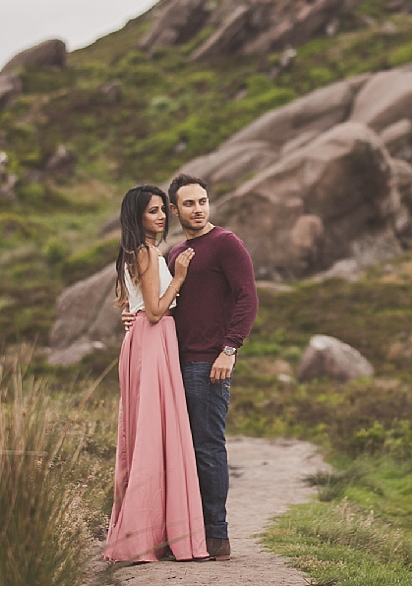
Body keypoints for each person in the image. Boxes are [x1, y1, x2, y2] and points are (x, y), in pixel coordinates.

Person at [103, 184, 208, 563]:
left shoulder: (135, 252)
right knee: (152, 434)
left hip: (145, 343)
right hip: (152, 338)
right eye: (153, 211)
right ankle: (146, 535)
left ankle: (148, 532)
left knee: (150, 432)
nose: (162, 216)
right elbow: (154, 310)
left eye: (163, 209)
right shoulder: (147, 252)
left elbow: (131, 304)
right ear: (137, 216)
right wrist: (179, 276)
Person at [163, 173, 258, 562]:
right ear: (175, 210)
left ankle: (216, 536)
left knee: (207, 447)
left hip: (209, 363)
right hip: (174, 364)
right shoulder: (174, 254)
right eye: (189, 203)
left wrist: (229, 348)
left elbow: (247, 297)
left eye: (202, 201)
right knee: (179, 450)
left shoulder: (226, 244)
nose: (198, 209)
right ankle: (185, 533)